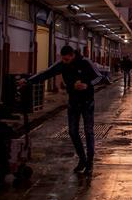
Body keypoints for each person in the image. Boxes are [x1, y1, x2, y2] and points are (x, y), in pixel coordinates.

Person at [20, 45, 103, 175]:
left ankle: (90, 163)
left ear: (72, 55)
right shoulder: (62, 64)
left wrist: (87, 85)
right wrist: (28, 81)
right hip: (73, 103)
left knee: (88, 132)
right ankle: (82, 159)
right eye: (63, 59)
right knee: (72, 131)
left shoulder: (85, 62)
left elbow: (99, 77)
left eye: (66, 59)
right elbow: (46, 73)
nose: (64, 62)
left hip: (87, 103)